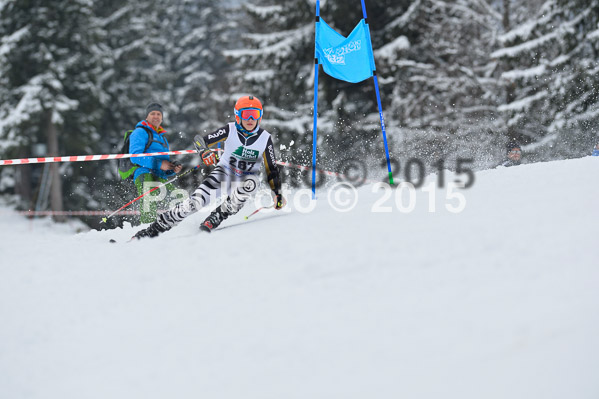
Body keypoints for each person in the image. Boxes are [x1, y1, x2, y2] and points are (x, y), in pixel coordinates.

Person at [132, 95, 285, 239]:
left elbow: (271, 168)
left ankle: (217, 216)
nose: (251, 119)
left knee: (251, 183)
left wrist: (277, 193)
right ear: (238, 116)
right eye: (246, 115)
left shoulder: (265, 138)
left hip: (245, 179)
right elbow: (200, 140)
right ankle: (152, 230)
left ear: (260, 116)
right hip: (223, 173)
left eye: (255, 114)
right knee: (194, 203)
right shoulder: (230, 129)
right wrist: (204, 152)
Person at [130, 102, 182, 223]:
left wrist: (172, 168)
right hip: (144, 173)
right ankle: (146, 231)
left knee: (179, 198)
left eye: (159, 114)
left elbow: (165, 163)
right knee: (149, 202)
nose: (156, 116)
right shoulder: (140, 132)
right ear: (146, 117)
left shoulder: (162, 138)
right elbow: (135, 157)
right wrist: (159, 164)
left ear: (162, 118)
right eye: (152, 113)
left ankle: (179, 227)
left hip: (160, 176)